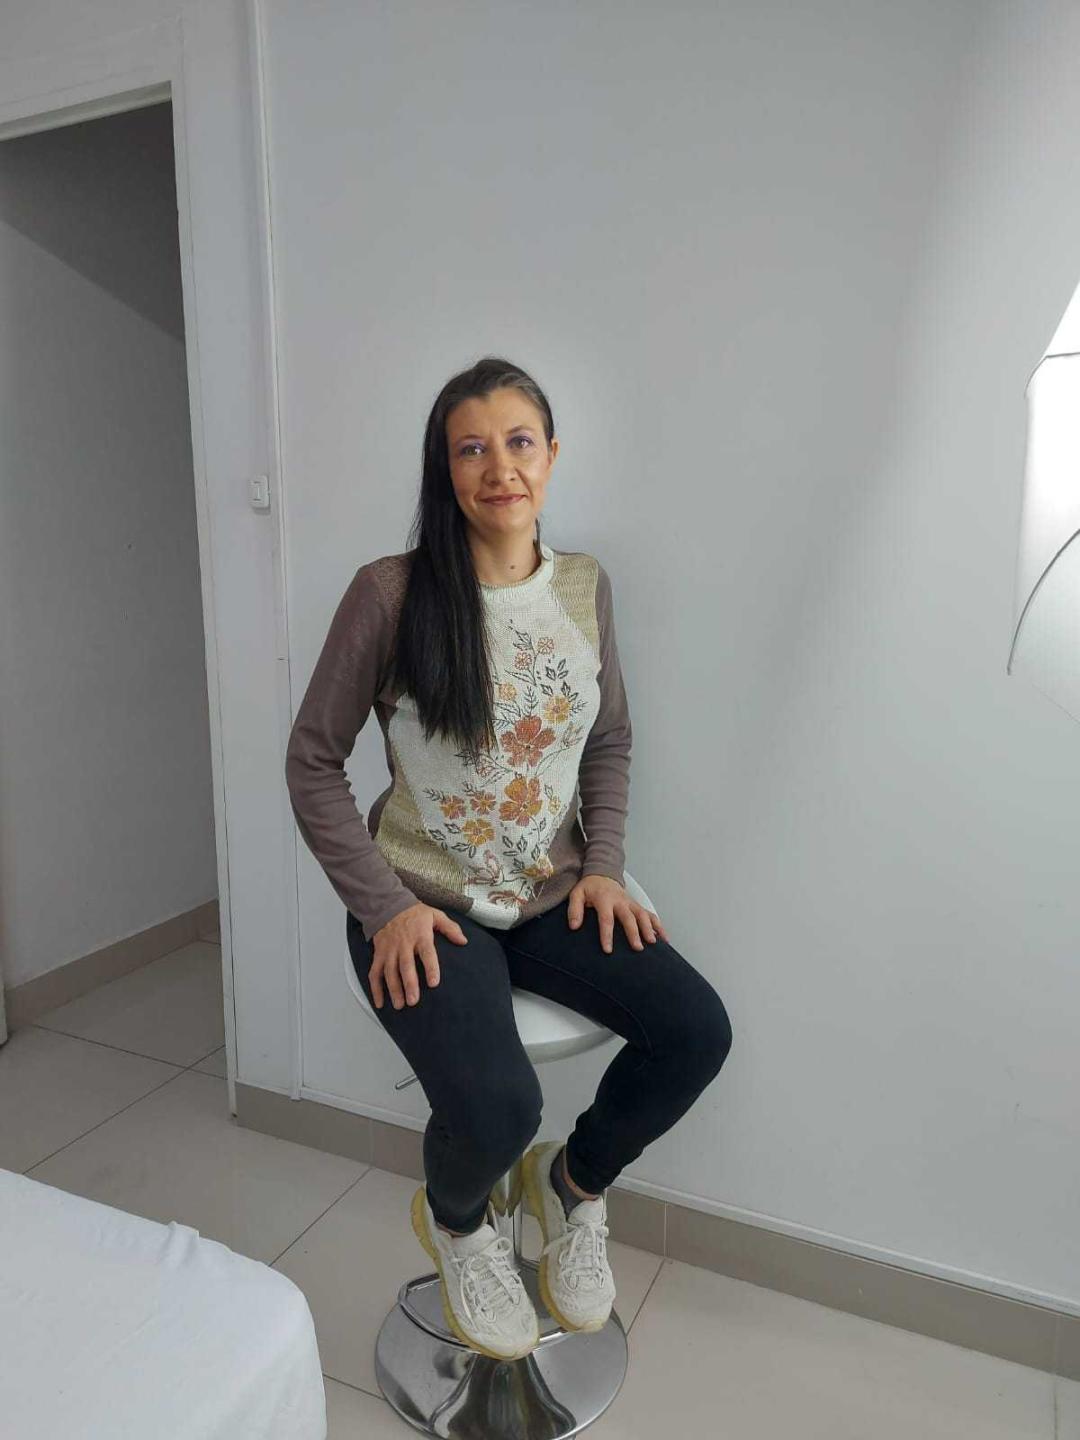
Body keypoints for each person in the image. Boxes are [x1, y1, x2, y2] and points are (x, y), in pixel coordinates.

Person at [284, 355, 733, 1361]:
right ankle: (459, 1225)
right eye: (471, 450)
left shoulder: (583, 586)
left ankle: (571, 1185)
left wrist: (603, 865)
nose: (500, 468)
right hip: (423, 901)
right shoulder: (390, 594)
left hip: (550, 892)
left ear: (552, 455)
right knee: (499, 1105)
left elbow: (608, 739)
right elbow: (312, 763)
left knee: (696, 1031)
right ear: (444, 469)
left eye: (519, 442)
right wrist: (384, 908)